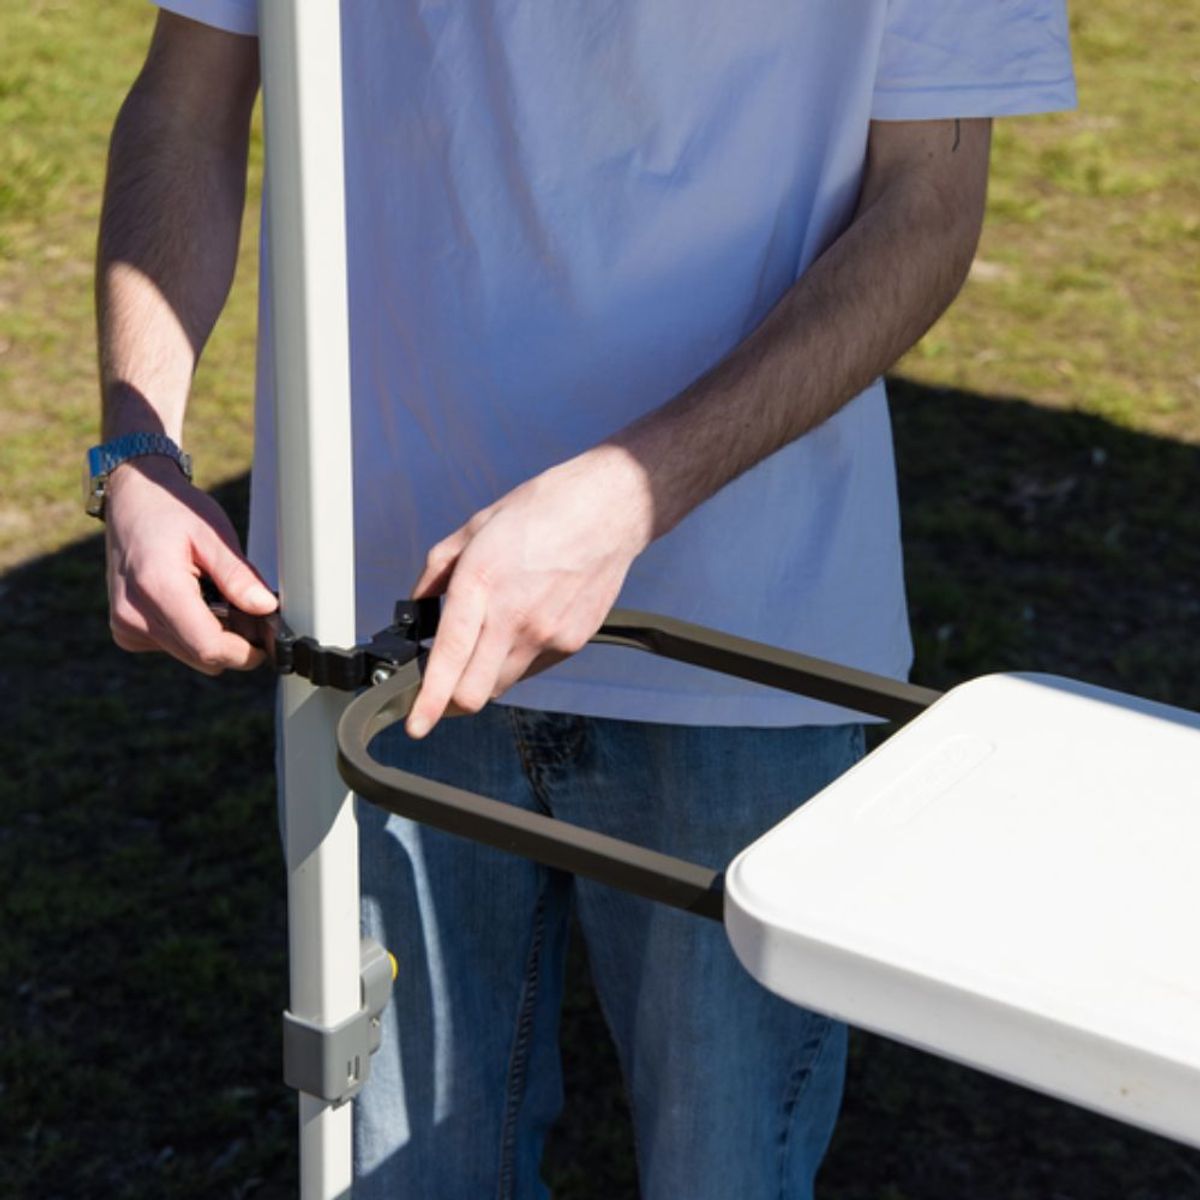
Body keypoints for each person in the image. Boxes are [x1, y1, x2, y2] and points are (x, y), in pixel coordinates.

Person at [93, 4, 1075, 1196]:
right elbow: (186, 96)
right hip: (377, 635)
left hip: (744, 639)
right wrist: (135, 449)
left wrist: (627, 496)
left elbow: (928, 204)